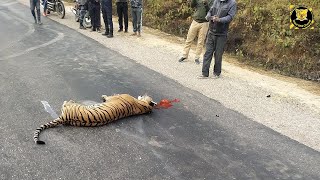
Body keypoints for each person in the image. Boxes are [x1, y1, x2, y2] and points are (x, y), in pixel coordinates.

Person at [199, 0, 237, 78]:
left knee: (218, 55)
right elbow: (210, 11)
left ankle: (216, 73)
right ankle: (204, 73)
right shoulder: (216, 1)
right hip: (211, 32)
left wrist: (219, 20)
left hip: (222, 34)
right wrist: (209, 16)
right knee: (207, 53)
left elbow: (230, 17)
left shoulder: (232, 3)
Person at [178, 0, 213, 64]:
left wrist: (206, 4)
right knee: (189, 39)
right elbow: (192, 6)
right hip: (195, 21)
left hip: (204, 23)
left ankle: (197, 57)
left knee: (201, 41)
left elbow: (211, 11)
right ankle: (184, 55)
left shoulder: (212, 1)